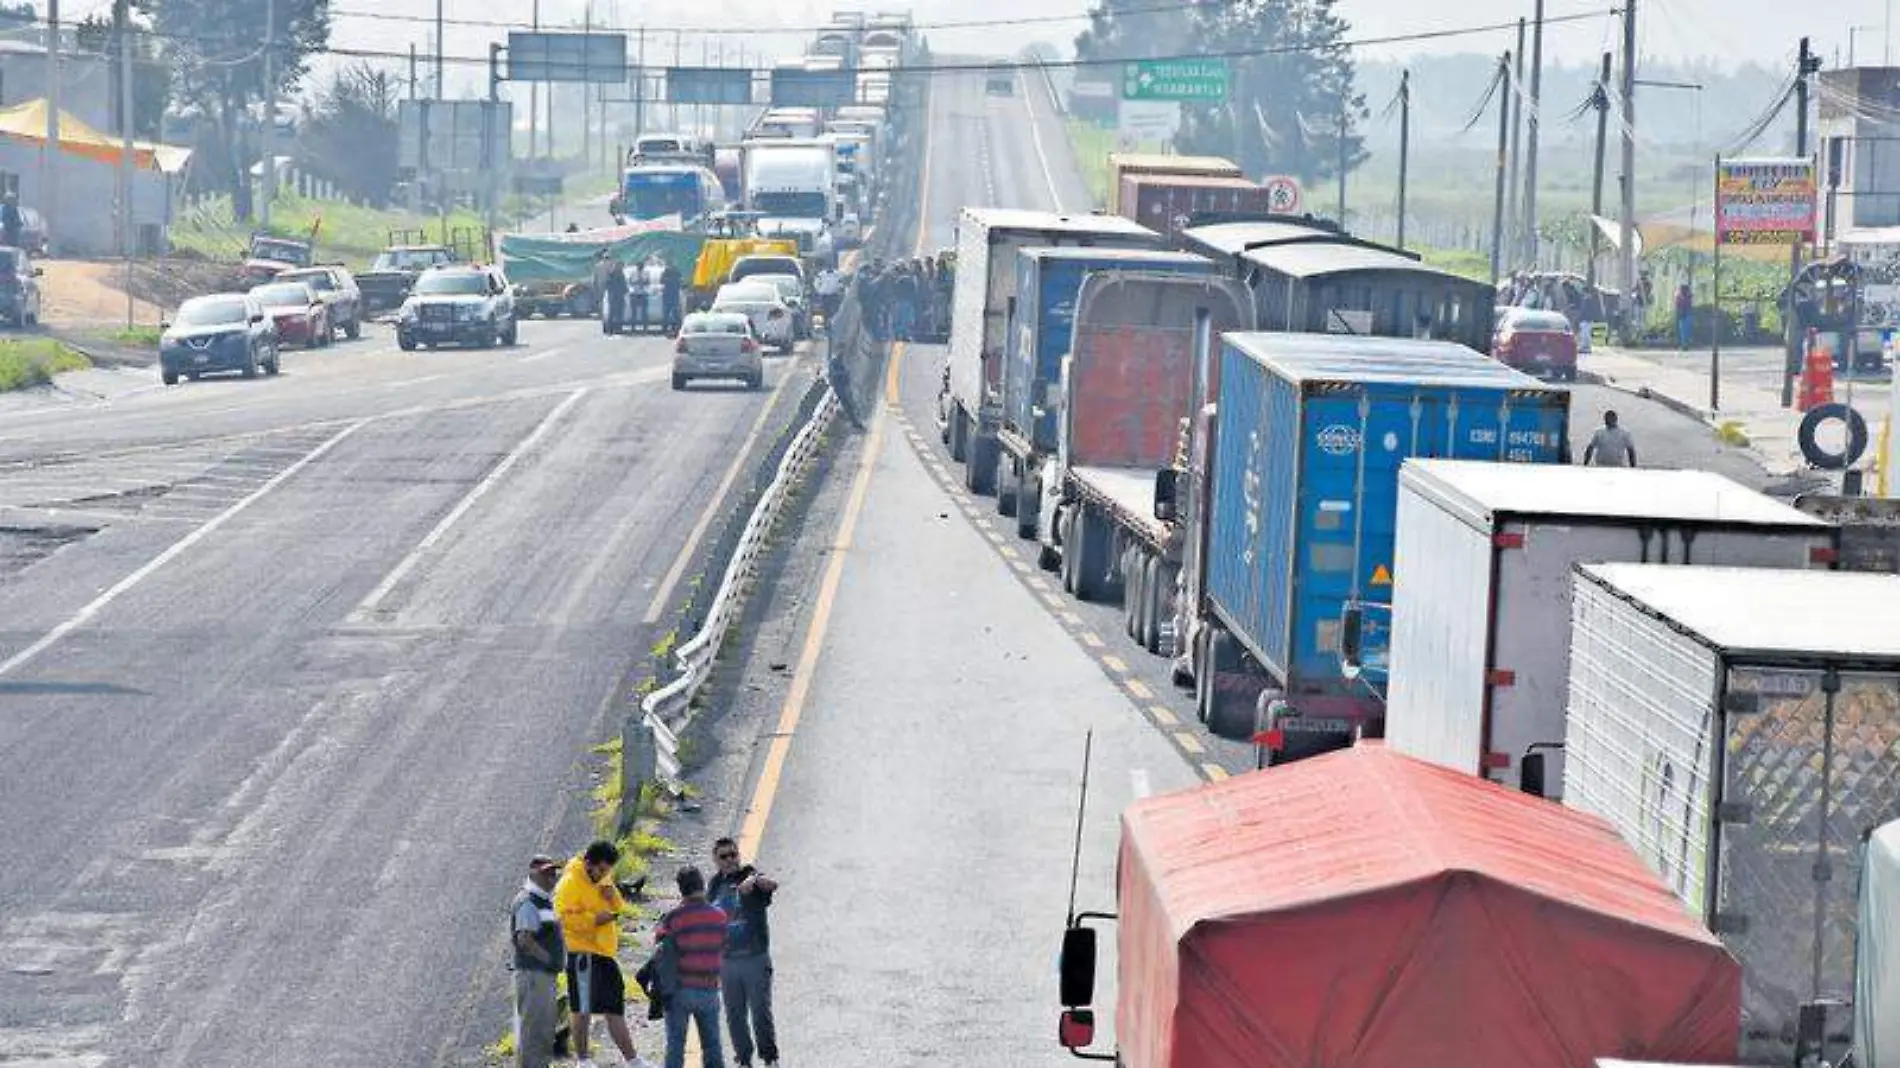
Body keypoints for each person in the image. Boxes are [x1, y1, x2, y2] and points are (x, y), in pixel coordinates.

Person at [554, 840, 649, 1068]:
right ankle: (583, 1061)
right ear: (588, 862)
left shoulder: (602, 878)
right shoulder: (569, 883)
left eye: (608, 871)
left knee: (614, 1005)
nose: (605, 875)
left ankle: (633, 1060)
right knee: (582, 1007)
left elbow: (618, 906)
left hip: (605, 952)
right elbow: (562, 919)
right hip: (582, 953)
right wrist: (595, 920)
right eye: (602, 870)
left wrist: (613, 898)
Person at [707, 840, 779, 1068]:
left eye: (732, 855)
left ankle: (769, 1058)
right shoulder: (715, 884)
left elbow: (772, 884)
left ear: (738, 855)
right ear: (716, 860)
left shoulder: (750, 874)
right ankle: (744, 1060)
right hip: (727, 961)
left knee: (760, 1012)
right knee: (734, 1015)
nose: (729, 860)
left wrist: (754, 881)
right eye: (723, 856)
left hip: (755, 958)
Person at [657, 866, 728, 1068]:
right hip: (709, 989)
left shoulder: (674, 917)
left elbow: (660, 944)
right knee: (712, 1046)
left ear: (681, 889)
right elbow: (724, 944)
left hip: (680, 989)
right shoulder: (719, 916)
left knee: (675, 1046)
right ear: (702, 885)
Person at [511, 855, 567, 1068]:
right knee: (534, 1033)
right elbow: (524, 939)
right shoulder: (528, 902)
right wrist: (550, 960)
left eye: (553, 872)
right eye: (546, 872)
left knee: (542, 1031)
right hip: (535, 976)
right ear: (533, 873)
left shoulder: (542, 901)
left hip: (541, 976)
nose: (552, 876)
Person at [599, 252, 627, 336]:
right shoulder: (612, 273)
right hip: (614, 295)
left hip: (616, 295)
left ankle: (615, 329)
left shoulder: (617, 274)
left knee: (617, 313)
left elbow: (623, 284)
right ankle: (612, 329)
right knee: (613, 312)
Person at [661, 260, 684, 333]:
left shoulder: (673, 272)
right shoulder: (671, 272)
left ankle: (673, 328)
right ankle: (671, 328)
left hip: (671, 294)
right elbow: (662, 280)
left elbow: (662, 280)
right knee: (670, 312)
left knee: (671, 312)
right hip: (671, 294)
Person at [1674, 281, 1694, 350]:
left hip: (1687, 312)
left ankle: (1685, 343)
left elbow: (1690, 303)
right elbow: (1678, 304)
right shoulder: (1679, 295)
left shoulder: (1688, 295)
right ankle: (1683, 344)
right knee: (1682, 329)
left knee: (1686, 329)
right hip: (1682, 313)